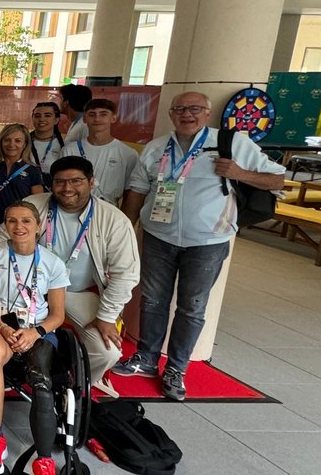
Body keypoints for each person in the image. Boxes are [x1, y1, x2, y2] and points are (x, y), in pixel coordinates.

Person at [115, 91, 284, 401]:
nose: (187, 114)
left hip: (208, 242)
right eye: (180, 109)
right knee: (152, 300)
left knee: (192, 306)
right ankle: (147, 357)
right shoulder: (156, 148)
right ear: (171, 114)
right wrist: (124, 231)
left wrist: (239, 173)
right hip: (158, 237)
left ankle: (176, 368)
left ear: (207, 113)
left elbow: (277, 180)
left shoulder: (229, 143)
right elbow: (138, 190)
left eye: (194, 109)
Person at [0, 156, 140, 400]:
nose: (67, 188)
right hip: (25, 289)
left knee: (107, 351)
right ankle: (16, 370)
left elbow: (126, 274)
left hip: (76, 293)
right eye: (60, 182)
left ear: (92, 182)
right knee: (1, 331)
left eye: (76, 181)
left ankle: (69, 380)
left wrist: (107, 316)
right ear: (52, 183)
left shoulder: (113, 220)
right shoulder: (33, 206)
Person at [0, 201, 71, 475]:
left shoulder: (53, 263)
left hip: (37, 328)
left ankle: (43, 463)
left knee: (41, 377)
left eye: (26, 221)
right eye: (12, 221)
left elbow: (58, 314)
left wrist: (34, 333)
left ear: (38, 226)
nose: (19, 226)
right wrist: (2, 328)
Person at [67, 98, 139, 204]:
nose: (97, 119)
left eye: (103, 114)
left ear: (113, 118)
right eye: (92, 114)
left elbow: (130, 193)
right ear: (85, 119)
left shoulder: (128, 154)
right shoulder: (70, 150)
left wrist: (123, 218)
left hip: (110, 211)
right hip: (74, 208)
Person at [0, 123, 46, 227]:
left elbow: (38, 203)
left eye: (17, 141)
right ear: (1, 142)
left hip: (19, 226)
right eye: (7, 140)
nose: (11, 144)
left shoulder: (32, 170)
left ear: (25, 144)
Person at [28, 101, 66, 174]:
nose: (42, 119)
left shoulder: (65, 144)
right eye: (37, 116)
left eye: (47, 115)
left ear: (56, 120)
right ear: (32, 118)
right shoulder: (22, 142)